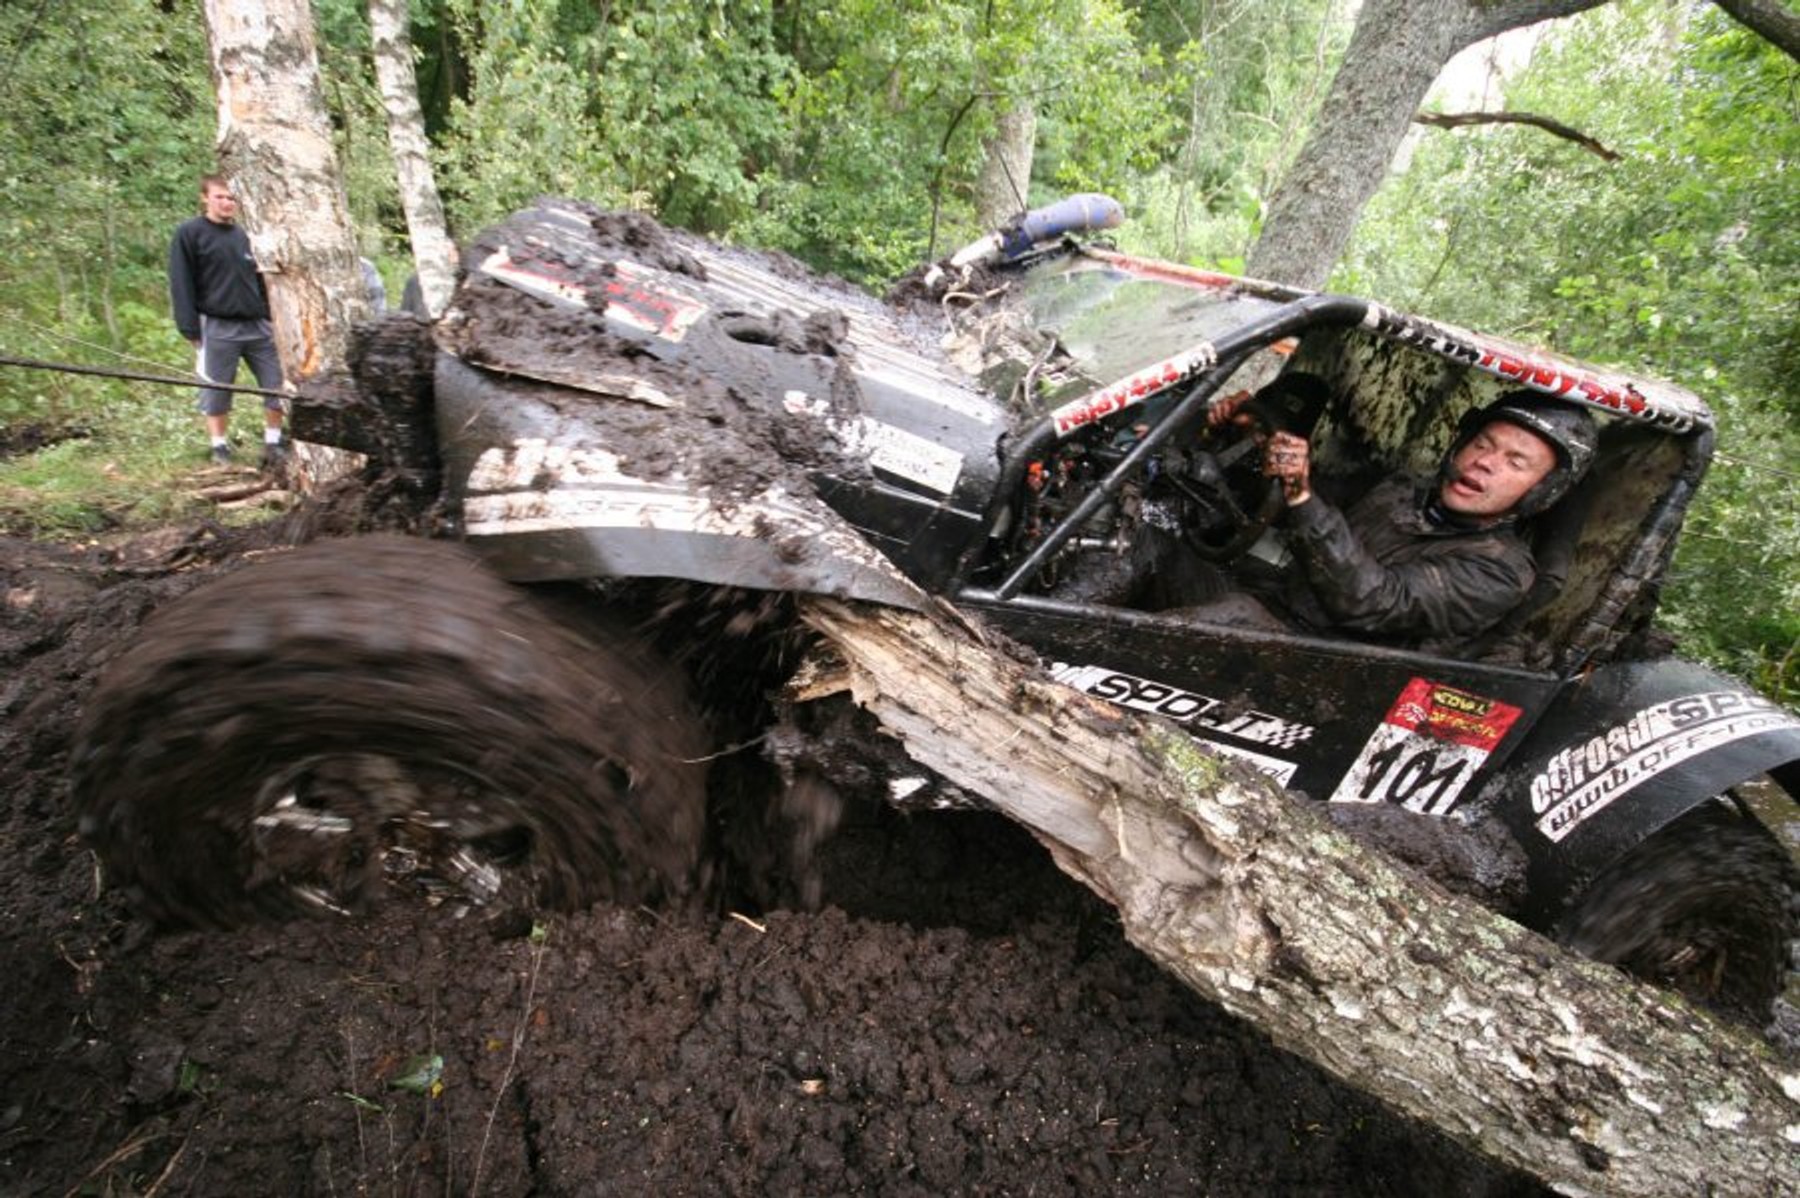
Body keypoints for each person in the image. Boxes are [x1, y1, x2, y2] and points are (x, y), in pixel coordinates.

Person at [1191, 386, 1599, 650]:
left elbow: (1373, 601)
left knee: (1228, 615)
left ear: (1542, 490)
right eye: (1483, 444)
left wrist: (1302, 492)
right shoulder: (1402, 489)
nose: (1486, 463)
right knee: (1149, 542)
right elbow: (1288, 503)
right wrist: (1249, 441)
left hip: (1320, 664)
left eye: (1515, 462)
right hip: (1271, 604)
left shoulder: (1499, 572)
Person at [168, 174, 287, 467]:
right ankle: (219, 447)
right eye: (220, 196)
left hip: (257, 324)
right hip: (217, 324)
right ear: (205, 197)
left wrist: (273, 318)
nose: (226, 203)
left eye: (231, 198)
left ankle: (274, 441)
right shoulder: (190, 233)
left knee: (276, 384)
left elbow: (263, 280)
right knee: (217, 388)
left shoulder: (247, 235)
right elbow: (181, 281)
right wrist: (189, 327)